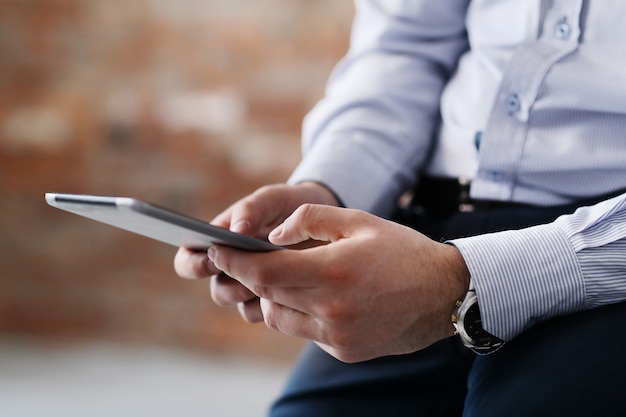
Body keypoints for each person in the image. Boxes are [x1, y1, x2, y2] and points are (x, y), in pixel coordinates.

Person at [175, 1, 626, 416]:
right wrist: (328, 189)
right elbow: (406, 45)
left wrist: (458, 281)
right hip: (419, 237)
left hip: (605, 257)